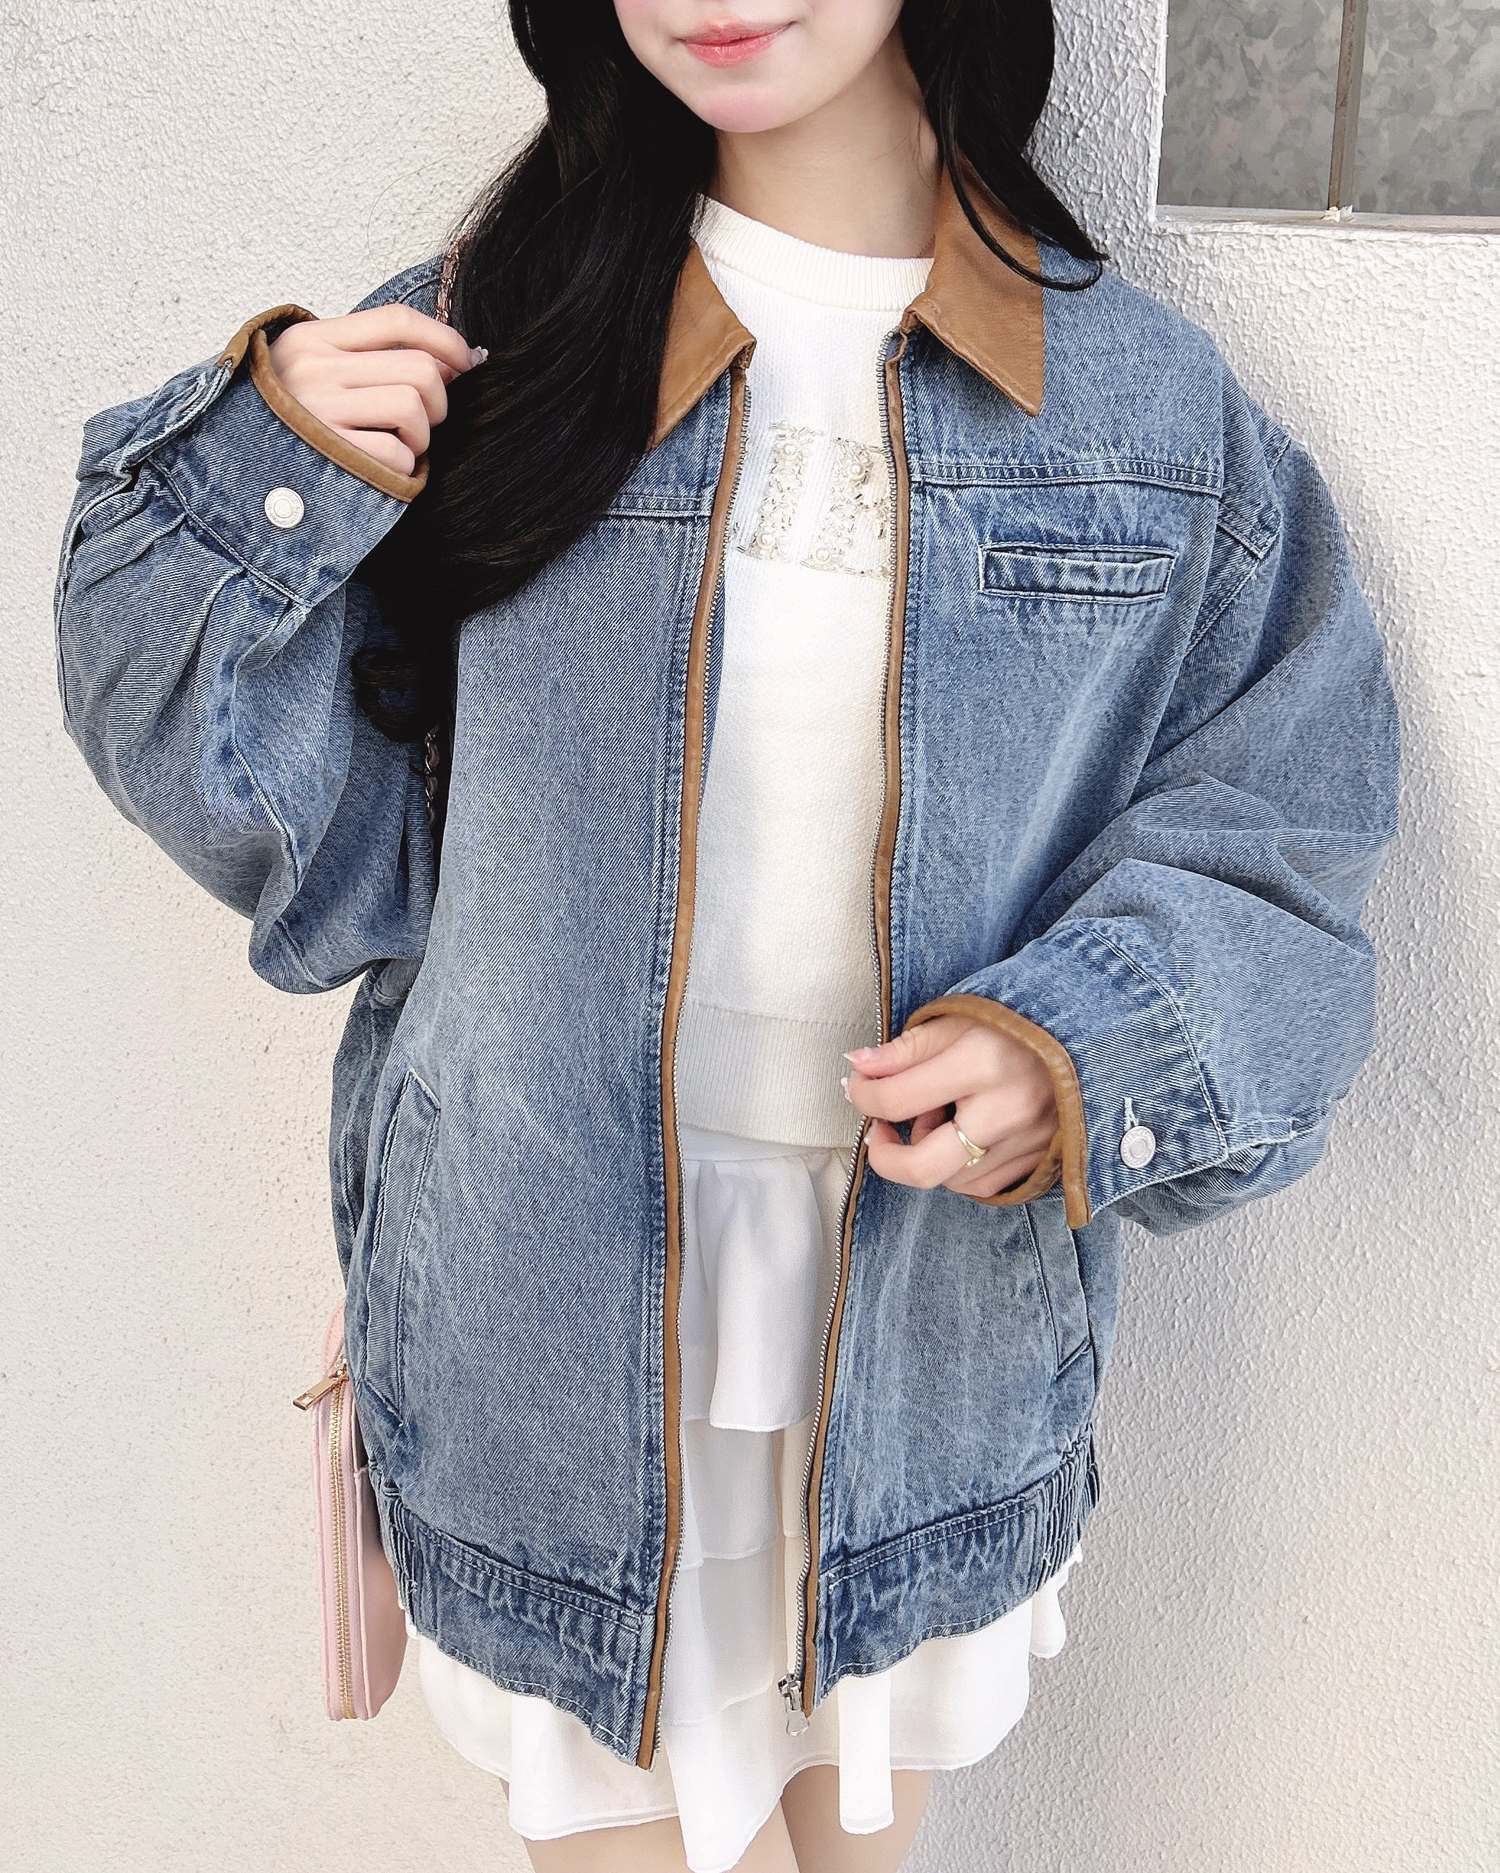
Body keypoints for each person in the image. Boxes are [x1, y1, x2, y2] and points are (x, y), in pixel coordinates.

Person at [52, 3, 1402, 1869]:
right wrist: (255, 475)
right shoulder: (496, 339)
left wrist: (1078, 1051)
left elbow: (1285, 823)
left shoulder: (1147, 413)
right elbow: (295, 827)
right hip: (543, 1339)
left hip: (920, 1355)